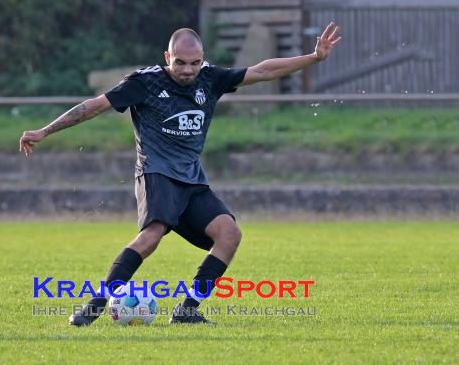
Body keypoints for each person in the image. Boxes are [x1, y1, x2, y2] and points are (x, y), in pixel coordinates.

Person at [19, 23, 341, 325]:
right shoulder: (143, 82)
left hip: (192, 180)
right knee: (152, 235)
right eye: (180, 63)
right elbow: (94, 106)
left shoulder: (210, 78)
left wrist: (313, 58)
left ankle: (188, 310)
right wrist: (45, 131)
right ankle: (96, 304)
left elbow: (263, 71)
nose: (188, 70)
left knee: (229, 235)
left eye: (195, 63)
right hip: (156, 173)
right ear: (167, 58)